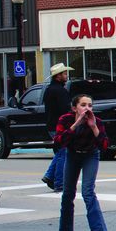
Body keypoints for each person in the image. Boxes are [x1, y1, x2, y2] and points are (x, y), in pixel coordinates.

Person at [48, 94, 111, 231]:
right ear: (74, 108)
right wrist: (76, 124)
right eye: (83, 105)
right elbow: (58, 142)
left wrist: (93, 126)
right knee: (68, 193)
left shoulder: (97, 122)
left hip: (90, 155)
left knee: (88, 192)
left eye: (90, 105)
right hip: (73, 155)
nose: (87, 108)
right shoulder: (65, 120)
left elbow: (104, 146)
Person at [41, 63, 73, 193]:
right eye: (64, 73)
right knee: (63, 153)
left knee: (61, 152)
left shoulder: (50, 89)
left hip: (52, 125)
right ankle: (59, 183)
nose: (66, 75)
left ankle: (49, 176)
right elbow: (65, 110)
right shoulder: (60, 91)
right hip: (59, 126)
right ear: (58, 76)